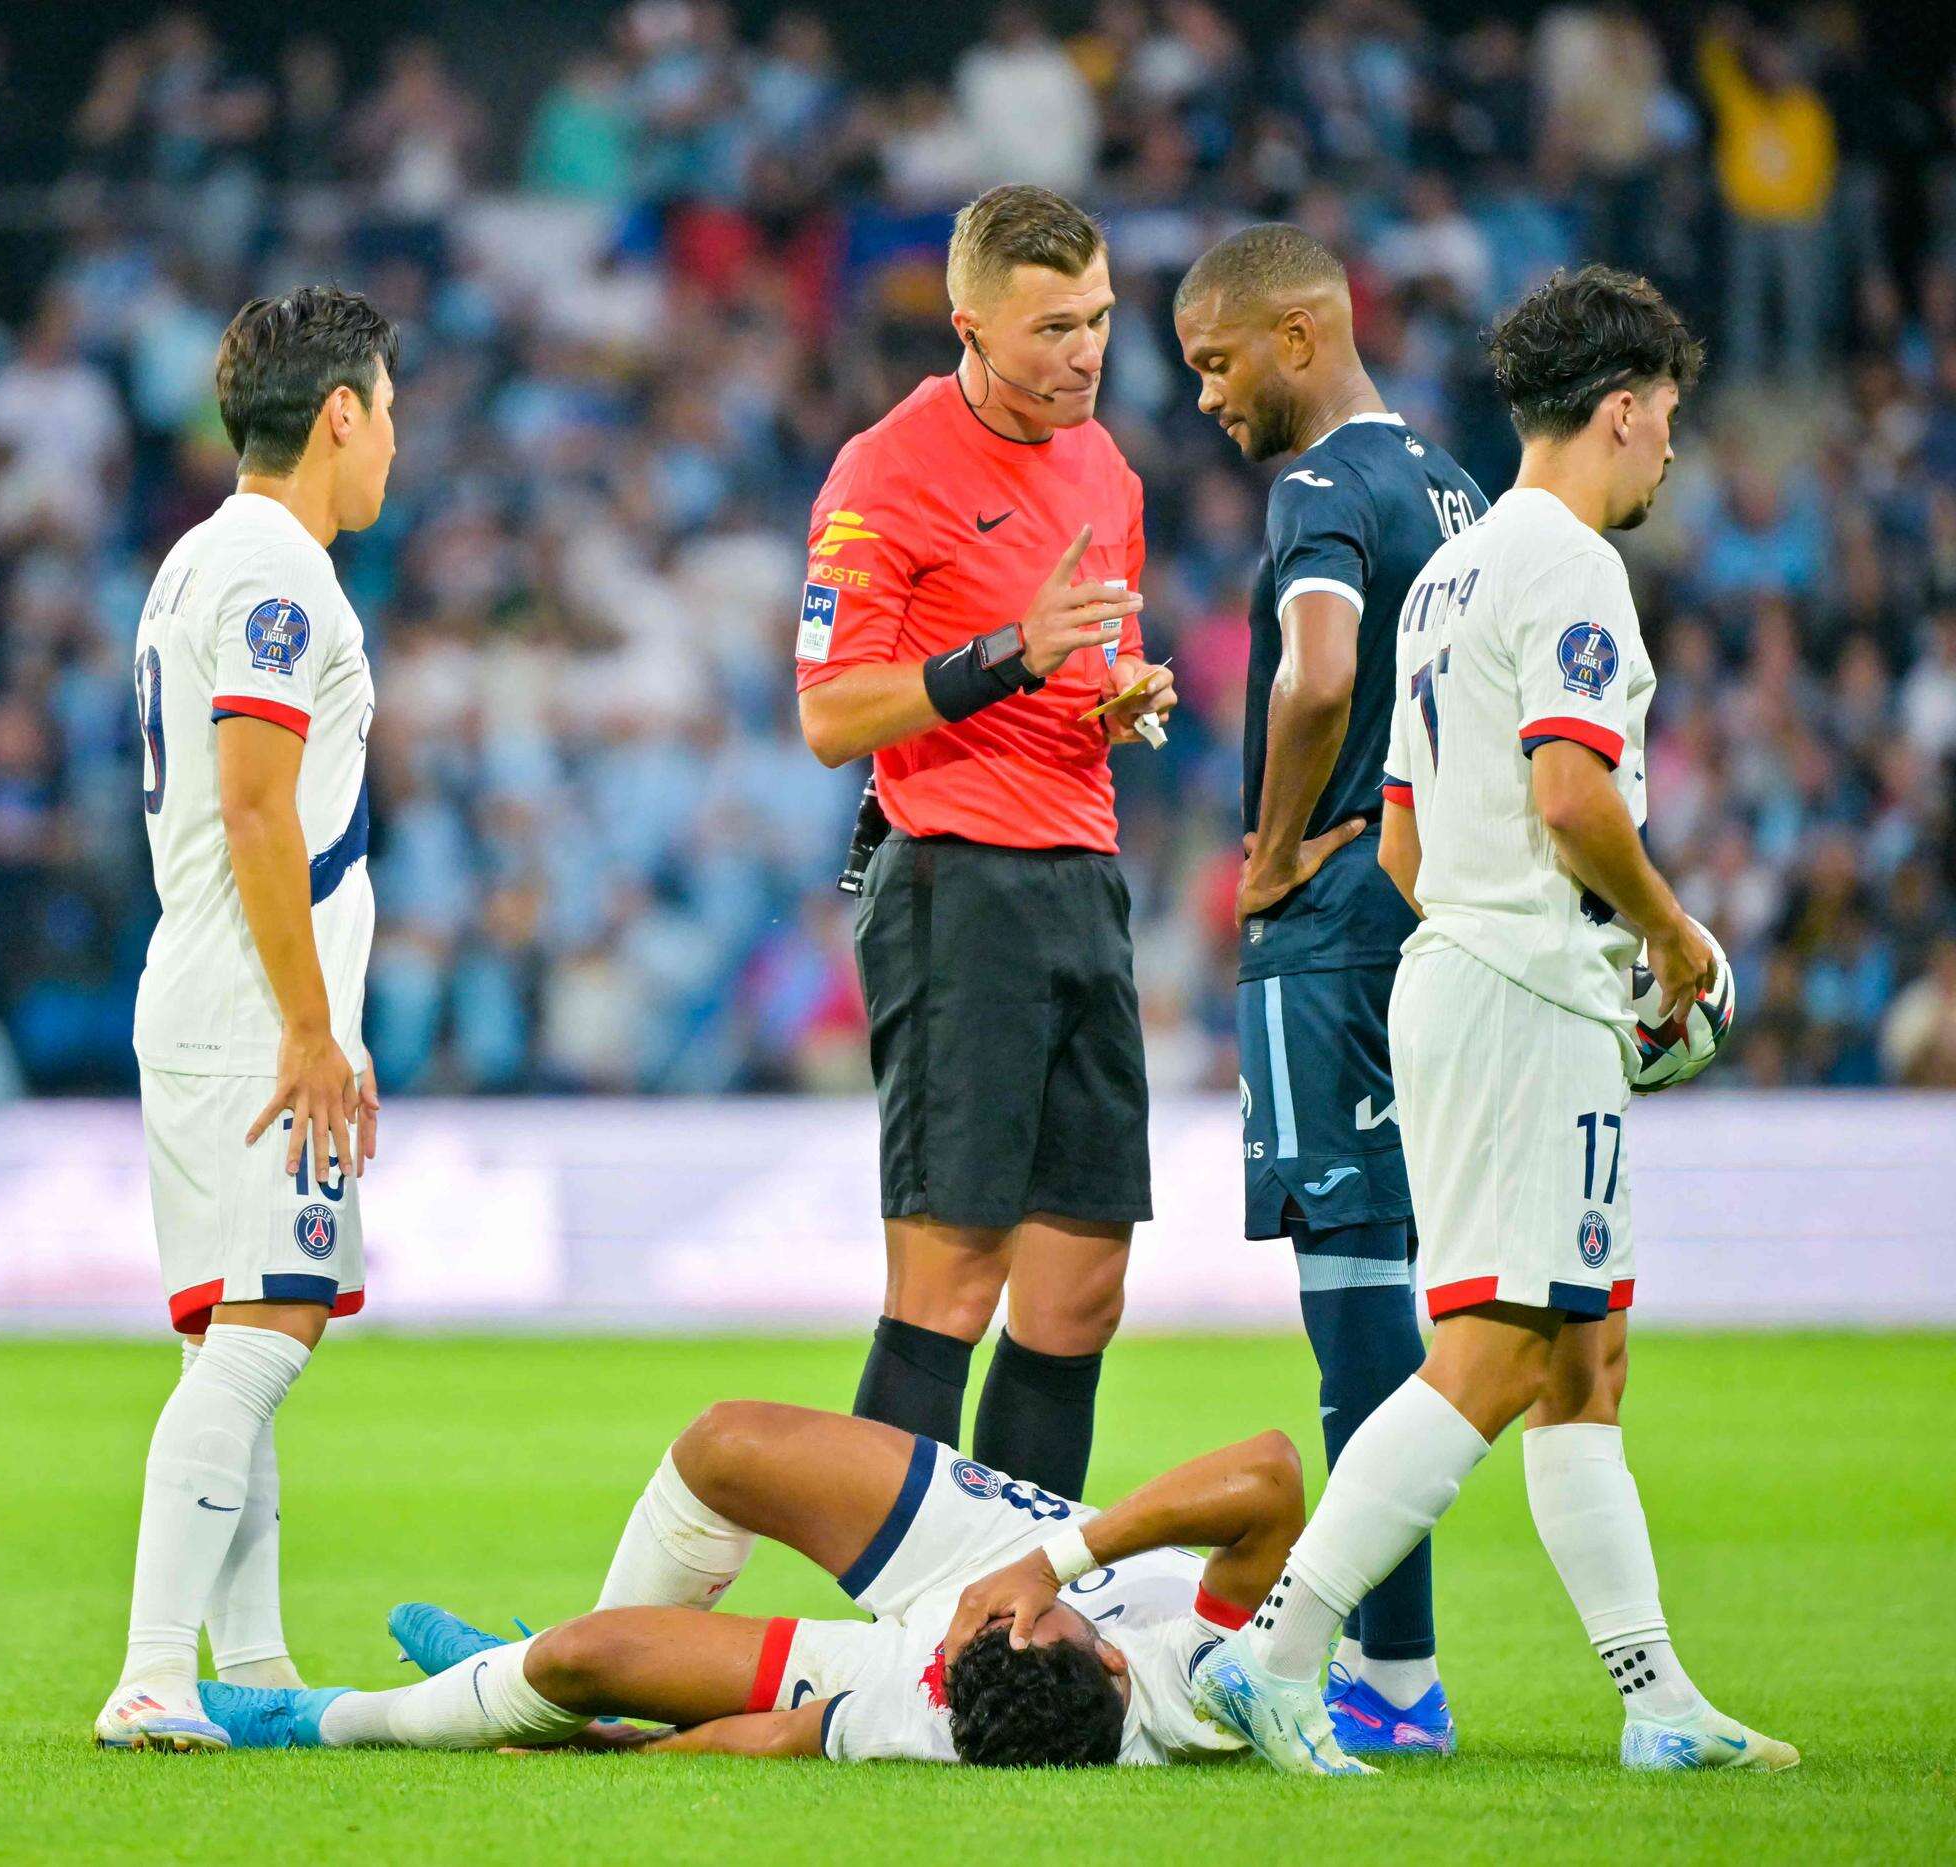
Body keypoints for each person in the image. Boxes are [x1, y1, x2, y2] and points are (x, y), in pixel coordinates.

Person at [1196, 267, 1797, 1777]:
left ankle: (1655, 1698)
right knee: (1486, 1352)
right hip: (1528, 989)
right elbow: (1573, 792)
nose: (1669, 449)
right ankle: (1280, 1656)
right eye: (1665, 419)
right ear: (1622, 407)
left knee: (1581, 1355)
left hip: (1455, 970)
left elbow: (1401, 838)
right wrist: (1668, 940)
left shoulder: (1453, 578)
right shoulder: (1561, 560)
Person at [793, 183, 1175, 1500]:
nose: (1086, 352)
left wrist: (1122, 695)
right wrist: (1012, 652)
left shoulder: (1106, 470)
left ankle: (1017, 1620)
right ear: (968, 324)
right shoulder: (885, 472)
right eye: (1055, 326)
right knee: (948, 1281)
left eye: (1102, 319)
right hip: (953, 885)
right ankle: (893, 1625)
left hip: (1084, 878)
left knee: (1079, 1289)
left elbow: (1093, 656)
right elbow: (830, 712)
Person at [1170, 223, 1488, 1755]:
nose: (1211, 400)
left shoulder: (1318, 491)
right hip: (1436, 916)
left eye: (1218, 363)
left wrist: (1278, 845)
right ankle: (1392, 1660)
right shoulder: (1456, 488)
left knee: (1356, 1300)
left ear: (1298, 334)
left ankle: (1392, 1678)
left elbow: (1316, 669)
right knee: (1425, 1293)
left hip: (1337, 927)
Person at [95, 286, 399, 1753]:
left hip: (202, 985)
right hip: (248, 1006)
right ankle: (156, 1668)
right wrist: (310, 1024)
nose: (393, 441)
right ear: (340, 412)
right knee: (267, 1330)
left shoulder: (190, 561)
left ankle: (253, 1658)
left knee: (237, 1329)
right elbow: (258, 797)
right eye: (388, 408)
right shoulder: (283, 572)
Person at [182, 1398, 1294, 1769]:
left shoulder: (948, 1712)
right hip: (1013, 1544)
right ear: (1108, 1651)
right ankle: (504, 1672)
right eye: (1021, 1623)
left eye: (998, 1629)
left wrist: (619, 1749)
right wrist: (1042, 1568)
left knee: (581, 1661)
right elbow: (1269, 1474)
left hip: (935, 1652)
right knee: (726, 1447)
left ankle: (318, 1718)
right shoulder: (1198, 1684)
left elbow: (784, 1738)